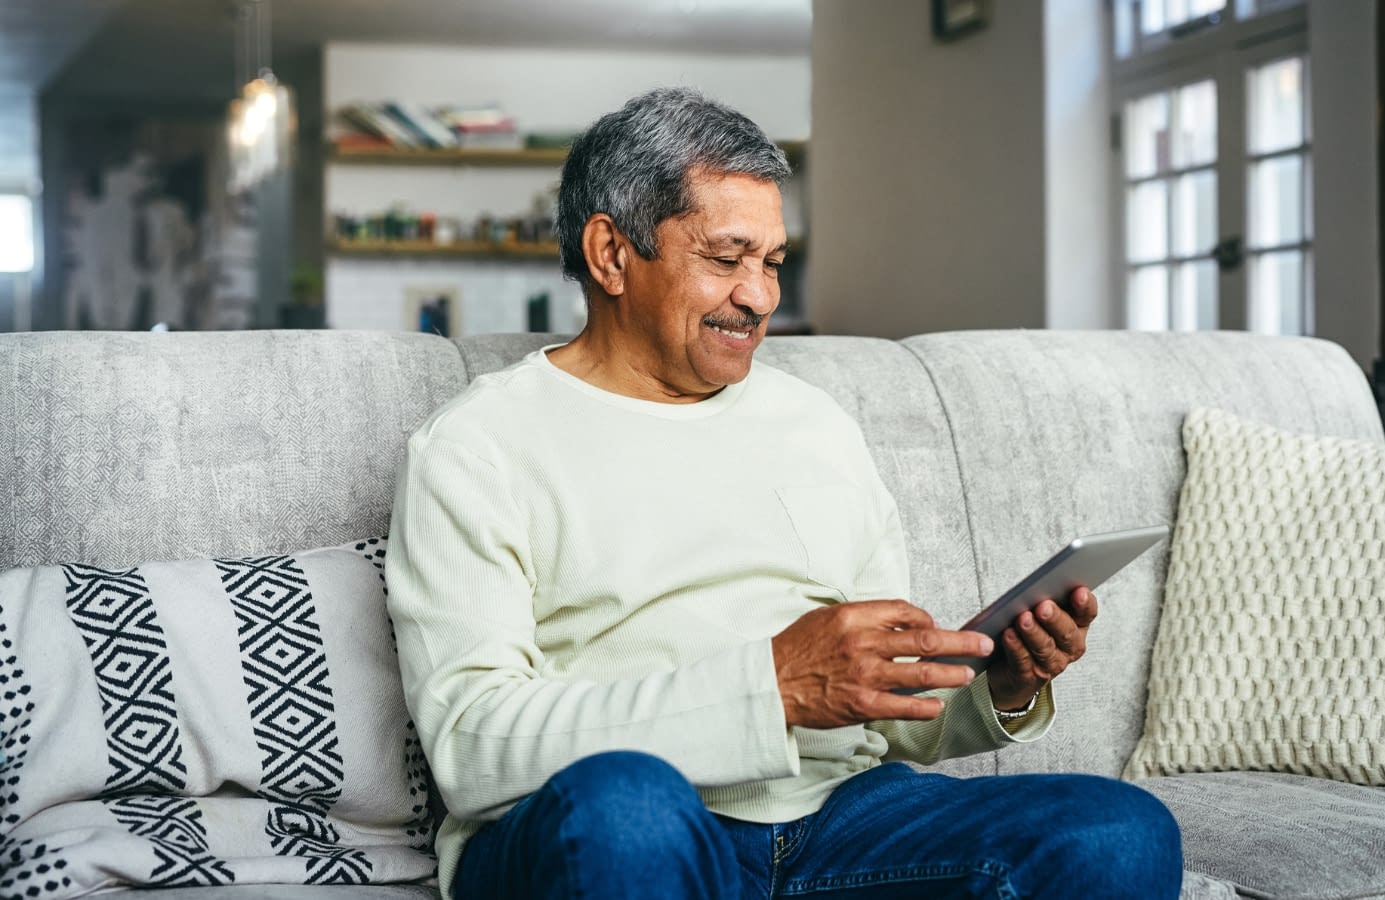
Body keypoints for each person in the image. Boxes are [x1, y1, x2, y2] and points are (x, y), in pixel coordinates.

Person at [387, 87, 1182, 900]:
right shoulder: (478, 445)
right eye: (726, 258)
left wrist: (1003, 686)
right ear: (612, 254)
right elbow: (471, 742)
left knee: (1115, 831)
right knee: (625, 811)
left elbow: (884, 711)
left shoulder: (816, 423)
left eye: (770, 262)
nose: (760, 297)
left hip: (841, 820)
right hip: (624, 825)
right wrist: (771, 687)